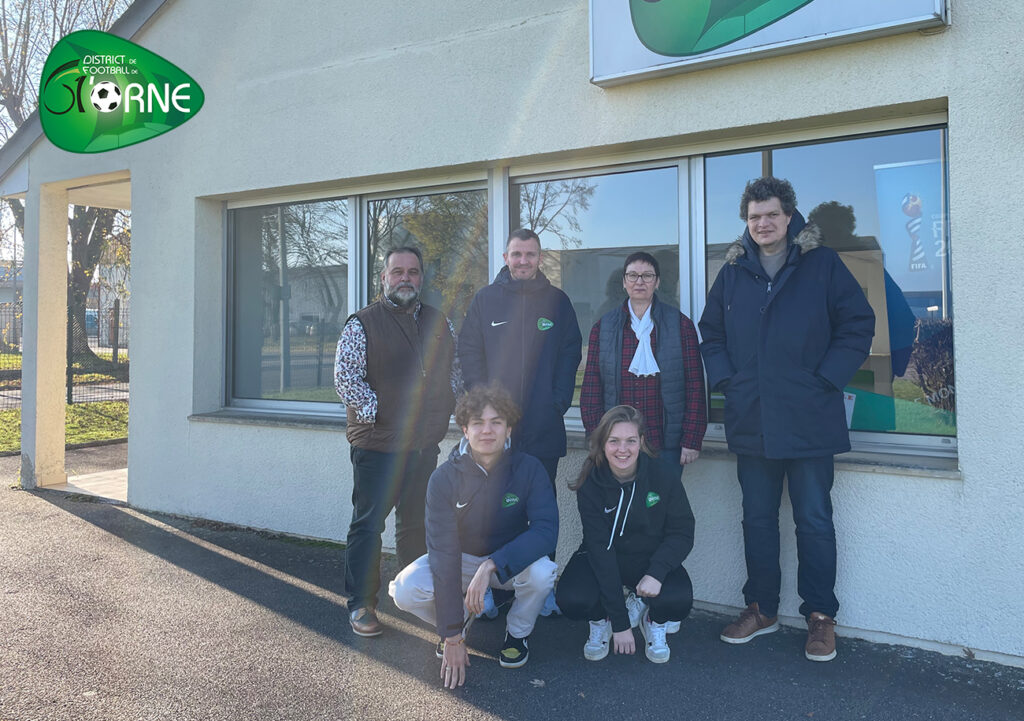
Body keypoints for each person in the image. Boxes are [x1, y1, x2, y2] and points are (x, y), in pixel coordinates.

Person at [699, 177, 874, 662]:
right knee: (756, 519)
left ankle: (821, 616)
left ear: (790, 215)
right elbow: (709, 332)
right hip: (752, 418)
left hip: (810, 417)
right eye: (754, 217)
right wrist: (729, 380)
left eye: (771, 215)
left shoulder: (821, 264)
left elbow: (858, 324)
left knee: (814, 520)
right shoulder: (733, 271)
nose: (762, 224)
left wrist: (826, 379)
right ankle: (762, 608)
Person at [389, 382, 558, 687]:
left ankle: (517, 634)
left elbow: (546, 532)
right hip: (460, 559)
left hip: (505, 563)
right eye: (478, 423)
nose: (487, 430)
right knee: (405, 589)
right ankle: (457, 625)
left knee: (544, 572)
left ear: (509, 429)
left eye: (496, 422)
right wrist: (452, 636)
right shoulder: (442, 478)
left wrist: (492, 564)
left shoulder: (529, 469)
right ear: (465, 430)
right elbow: (442, 552)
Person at [334, 246, 461, 638]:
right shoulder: (362, 324)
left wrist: (449, 410)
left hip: (423, 445)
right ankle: (361, 603)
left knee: (415, 526)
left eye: (413, 272)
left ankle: (412, 596)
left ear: (421, 278)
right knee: (369, 525)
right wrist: (380, 413)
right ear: (384, 277)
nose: (405, 278)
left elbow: (455, 372)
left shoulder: (439, 323)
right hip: (377, 447)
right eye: (397, 272)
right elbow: (346, 378)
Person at [458, 227, 581, 615]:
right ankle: (491, 587)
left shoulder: (558, 303)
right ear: (506, 258)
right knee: (490, 509)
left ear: (539, 258)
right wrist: (484, 410)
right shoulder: (485, 300)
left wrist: (557, 402)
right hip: (495, 432)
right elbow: (468, 354)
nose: (523, 261)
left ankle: (540, 591)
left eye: (530, 254)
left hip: (543, 429)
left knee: (541, 510)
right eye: (516, 254)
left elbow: (569, 356)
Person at [555, 405, 695, 664]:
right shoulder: (591, 482)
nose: (623, 449)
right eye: (614, 441)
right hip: (604, 556)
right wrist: (619, 624)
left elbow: (683, 531)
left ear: (641, 442)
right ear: (602, 444)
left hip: (649, 558)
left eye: (631, 441)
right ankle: (602, 619)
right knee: (571, 597)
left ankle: (653, 619)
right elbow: (600, 549)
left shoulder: (663, 475)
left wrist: (656, 572)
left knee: (679, 599)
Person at [580, 251, 708, 470]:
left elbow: (695, 386)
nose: (639, 281)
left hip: (667, 443)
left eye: (647, 276)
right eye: (632, 275)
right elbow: (591, 387)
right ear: (624, 282)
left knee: (661, 503)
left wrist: (692, 440)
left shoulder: (680, 326)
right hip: (617, 444)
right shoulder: (603, 328)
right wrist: (596, 436)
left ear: (657, 282)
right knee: (622, 502)